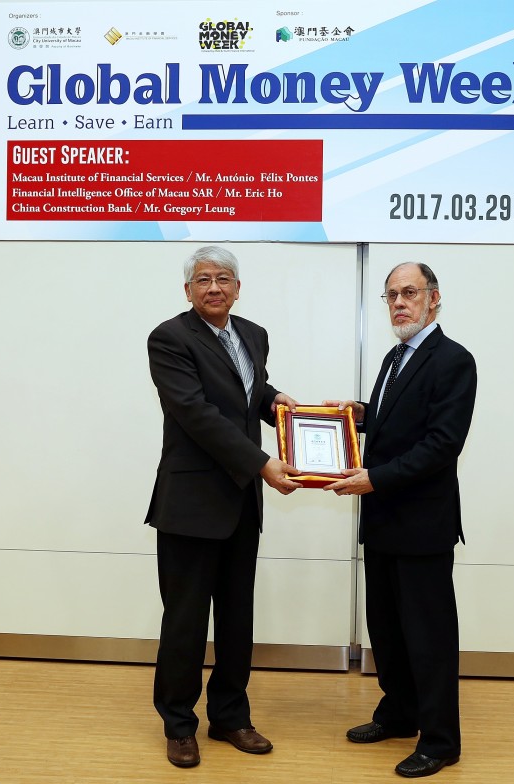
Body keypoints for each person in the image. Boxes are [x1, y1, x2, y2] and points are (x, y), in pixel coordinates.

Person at [145, 245, 301, 769]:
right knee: (186, 620)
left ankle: (231, 716)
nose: (215, 288)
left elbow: (245, 394)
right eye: (204, 280)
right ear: (188, 290)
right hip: (191, 504)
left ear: (238, 288)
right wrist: (262, 463)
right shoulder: (169, 338)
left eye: (225, 279)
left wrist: (275, 401)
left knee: (237, 620)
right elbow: (197, 412)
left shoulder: (253, 334)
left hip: (239, 504)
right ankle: (179, 724)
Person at [325, 262, 477, 778]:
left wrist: (376, 478)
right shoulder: (394, 357)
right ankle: (399, 713)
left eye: (409, 293)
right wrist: (363, 415)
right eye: (391, 295)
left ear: (434, 298)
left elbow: (441, 443)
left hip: (422, 524)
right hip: (384, 520)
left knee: (429, 637)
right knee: (386, 629)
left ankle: (440, 740)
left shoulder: (454, 360)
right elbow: (402, 423)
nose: (398, 303)